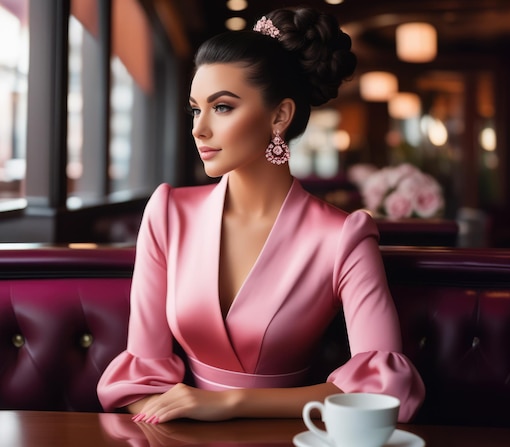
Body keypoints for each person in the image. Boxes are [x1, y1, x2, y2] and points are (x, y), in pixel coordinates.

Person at [97, 6, 425, 424]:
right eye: (196, 109)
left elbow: (382, 389)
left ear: (280, 116)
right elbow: (141, 375)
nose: (199, 128)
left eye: (223, 107)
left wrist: (230, 404)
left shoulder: (344, 235)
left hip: (291, 434)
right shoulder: (167, 213)